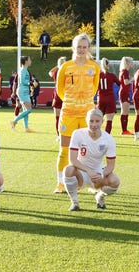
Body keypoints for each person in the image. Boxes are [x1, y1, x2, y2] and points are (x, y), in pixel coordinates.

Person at [55, 34, 100, 193]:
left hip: (87, 115)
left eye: (84, 47)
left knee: (89, 150)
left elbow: (94, 89)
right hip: (69, 114)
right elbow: (60, 90)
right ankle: (61, 183)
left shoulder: (94, 67)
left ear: (88, 48)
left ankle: (90, 183)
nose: (81, 50)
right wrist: (72, 101)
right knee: (65, 149)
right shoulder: (66, 67)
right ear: (73, 48)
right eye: (78, 47)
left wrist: (84, 103)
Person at [63, 109, 119, 211]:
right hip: (82, 172)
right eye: (91, 121)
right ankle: (74, 203)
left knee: (115, 181)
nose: (94, 124)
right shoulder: (78, 134)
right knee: (68, 170)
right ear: (86, 121)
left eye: (97, 121)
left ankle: (100, 197)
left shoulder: (109, 139)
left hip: (98, 173)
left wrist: (101, 175)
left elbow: (111, 165)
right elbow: (73, 160)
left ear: (102, 122)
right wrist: (88, 171)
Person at [9, 56, 34, 133]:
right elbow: (23, 81)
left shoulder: (24, 70)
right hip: (22, 91)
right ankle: (14, 121)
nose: (30, 61)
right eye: (29, 59)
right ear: (26, 61)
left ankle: (26, 128)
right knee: (29, 110)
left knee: (26, 110)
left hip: (24, 91)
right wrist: (30, 83)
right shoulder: (23, 70)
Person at [96, 58, 120, 134]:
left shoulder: (98, 75)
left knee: (98, 119)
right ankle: (106, 136)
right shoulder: (112, 76)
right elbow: (120, 83)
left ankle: (96, 134)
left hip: (101, 99)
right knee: (109, 120)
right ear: (108, 65)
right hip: (110, 99)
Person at [49, 57, 67, 140]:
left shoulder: (56, 72)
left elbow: (49, 72)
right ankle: (65, 134)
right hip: (65, 96)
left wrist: (57, 66)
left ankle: (59, 135)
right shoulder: (67, 72)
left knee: (57, 117)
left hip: (57, 96)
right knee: (66, 118)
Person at [118, 56, 134, 135]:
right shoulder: (125, 71)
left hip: (124, 92)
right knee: (124, 111)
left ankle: (125, 130)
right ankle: (124, 130)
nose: (132, 63)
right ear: (127, 63)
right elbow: (126, 82)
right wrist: (132, 79)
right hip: (124, 93)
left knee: (126, 111)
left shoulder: (124, 71)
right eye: (131, 62)